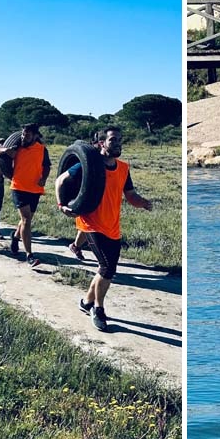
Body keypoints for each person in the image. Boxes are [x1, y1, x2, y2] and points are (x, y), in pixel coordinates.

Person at [55, 126, 152, 332]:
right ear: (101, 143)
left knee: (106, 270)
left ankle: (86, 301)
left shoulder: (123, 168)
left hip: (112, 226)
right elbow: (60, 180)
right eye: (113, 140)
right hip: (91, 224)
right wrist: (62, 204)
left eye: (120, 140)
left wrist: (143, 203)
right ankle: (98, 309)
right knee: (107, 269)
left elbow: (131, 195)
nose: (118, 144)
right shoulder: (89, 165)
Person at [0, 123, 50, 267]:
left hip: (35, 189)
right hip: (18, 187)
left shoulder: (42, 150)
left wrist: (44, 178)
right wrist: (6, 150)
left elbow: (47, 166)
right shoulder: (16, 147)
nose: (24, 136)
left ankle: (15, 237)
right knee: (26, 220)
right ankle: (29, 256)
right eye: (23, 133)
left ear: (36, 136)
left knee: (27, 219)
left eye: (28, 134)